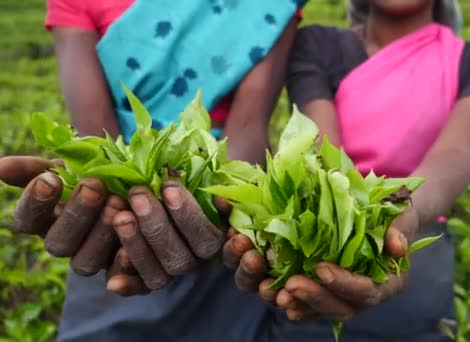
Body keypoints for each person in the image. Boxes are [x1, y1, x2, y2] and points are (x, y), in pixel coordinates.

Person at [0, 0, 309, 341]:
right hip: (113, 230)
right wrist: (122, 199)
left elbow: (247, 130)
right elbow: (98, 140)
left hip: (222, 218)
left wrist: (215, 203)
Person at [222, 0, 470, 340]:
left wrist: (402, 213)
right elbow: (324, 151)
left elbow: (457, 152)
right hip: (322, 239)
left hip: (417, 248)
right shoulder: (318, 44)